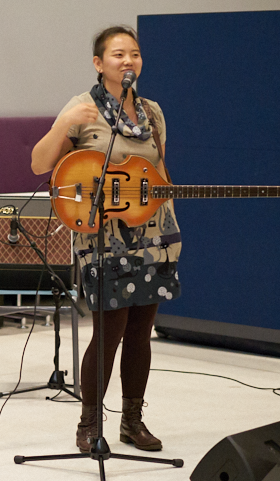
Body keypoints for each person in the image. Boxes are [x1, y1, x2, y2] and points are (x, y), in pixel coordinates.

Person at [30, 25, 181, 453]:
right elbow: (39, 164)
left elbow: (161, 172)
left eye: (134, 54)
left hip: (154, 234)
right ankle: (88, 424)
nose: (128, 61)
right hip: (103, 239)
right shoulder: (81, 108)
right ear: (99, 64)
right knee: (109, 331)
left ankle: (132, 421)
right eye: (118, 55)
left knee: (141, 332)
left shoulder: (152, 112)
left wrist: (171, 213)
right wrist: (62, 124)